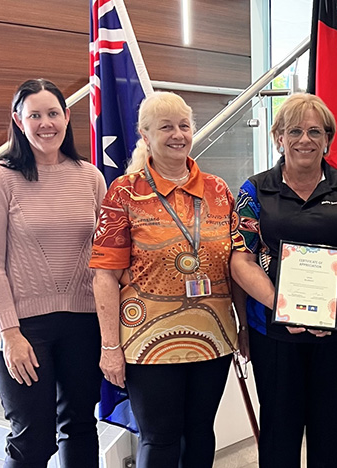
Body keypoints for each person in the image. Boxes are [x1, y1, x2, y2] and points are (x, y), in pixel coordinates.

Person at [90, 91, 244, 468]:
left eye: (184, 125)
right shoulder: (124, 192)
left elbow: (238, 263)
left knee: (200, 432)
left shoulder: (218, 190)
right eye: (166, 127)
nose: (178, 134)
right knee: (159, 439)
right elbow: (104, 276)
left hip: (214, 336)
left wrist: (246, 326)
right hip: (147, 341)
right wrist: (110, 346)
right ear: (145, 135)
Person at [231, 93, 337, 468]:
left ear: (328, 138)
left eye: (315, 131)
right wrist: (279, 304)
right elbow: (241, 260)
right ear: (278, 137)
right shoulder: (254, 191)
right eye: (294, 130)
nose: (305, 139)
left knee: (330, 430)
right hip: (273, 331)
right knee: (279, 432)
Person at [0, 78, 106, 467]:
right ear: (19, 120)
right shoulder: (0, 177)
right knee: (32, 439)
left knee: (80, 427)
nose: (46, 123)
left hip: (83, 322)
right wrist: (10, 334)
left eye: (53, 114)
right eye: (35, 115)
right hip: (22, 327)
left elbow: (105, 253)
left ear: (67, 117)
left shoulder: (90, 176)